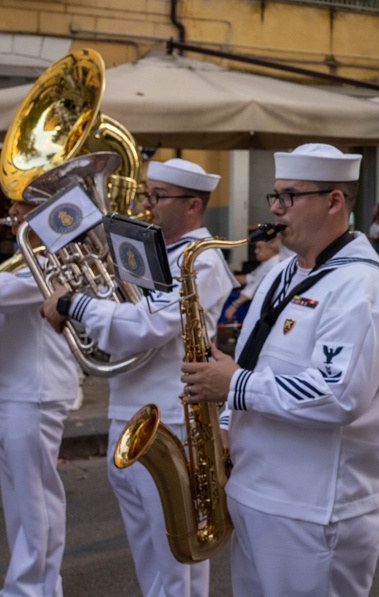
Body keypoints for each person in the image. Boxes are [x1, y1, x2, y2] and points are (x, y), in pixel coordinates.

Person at [180, 143, 379, 597]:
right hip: (257, 493)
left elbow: (339, 396)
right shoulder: (285, 272)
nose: (275, 209)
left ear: (334, 201)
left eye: (289, 197)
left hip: (315, 509)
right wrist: (223, 425)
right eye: (275, 196)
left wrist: (235, 386)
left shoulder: (361, 287)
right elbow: (249, 363)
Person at [41, 158, 237, 597]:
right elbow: (121, 324)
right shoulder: (156, 253)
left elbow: (144, 326)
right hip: (127, 412)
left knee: (175, 564)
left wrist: (76, 305)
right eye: (146, 194)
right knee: (151, 558)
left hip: (170, 419)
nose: (146, 205)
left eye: (157, 197)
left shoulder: (200, 262)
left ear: (192, 205)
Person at [0, 197, 79, 597]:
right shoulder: (25, 257)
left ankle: (31, 591)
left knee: (36, 508)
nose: (14, 212)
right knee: (20, 507)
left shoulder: (55, 259)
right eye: (12, 204)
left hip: (36, 391)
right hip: (15, 389)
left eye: (23, 203)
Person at [224, 235, 284, 324]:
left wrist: (234, 305)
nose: (256, 251)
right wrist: (226, 276)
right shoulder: (267, 263)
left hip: (252, 303)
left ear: (272, 249)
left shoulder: (274, 265)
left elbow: (255, 289)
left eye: (259, 248)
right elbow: (250, 278)